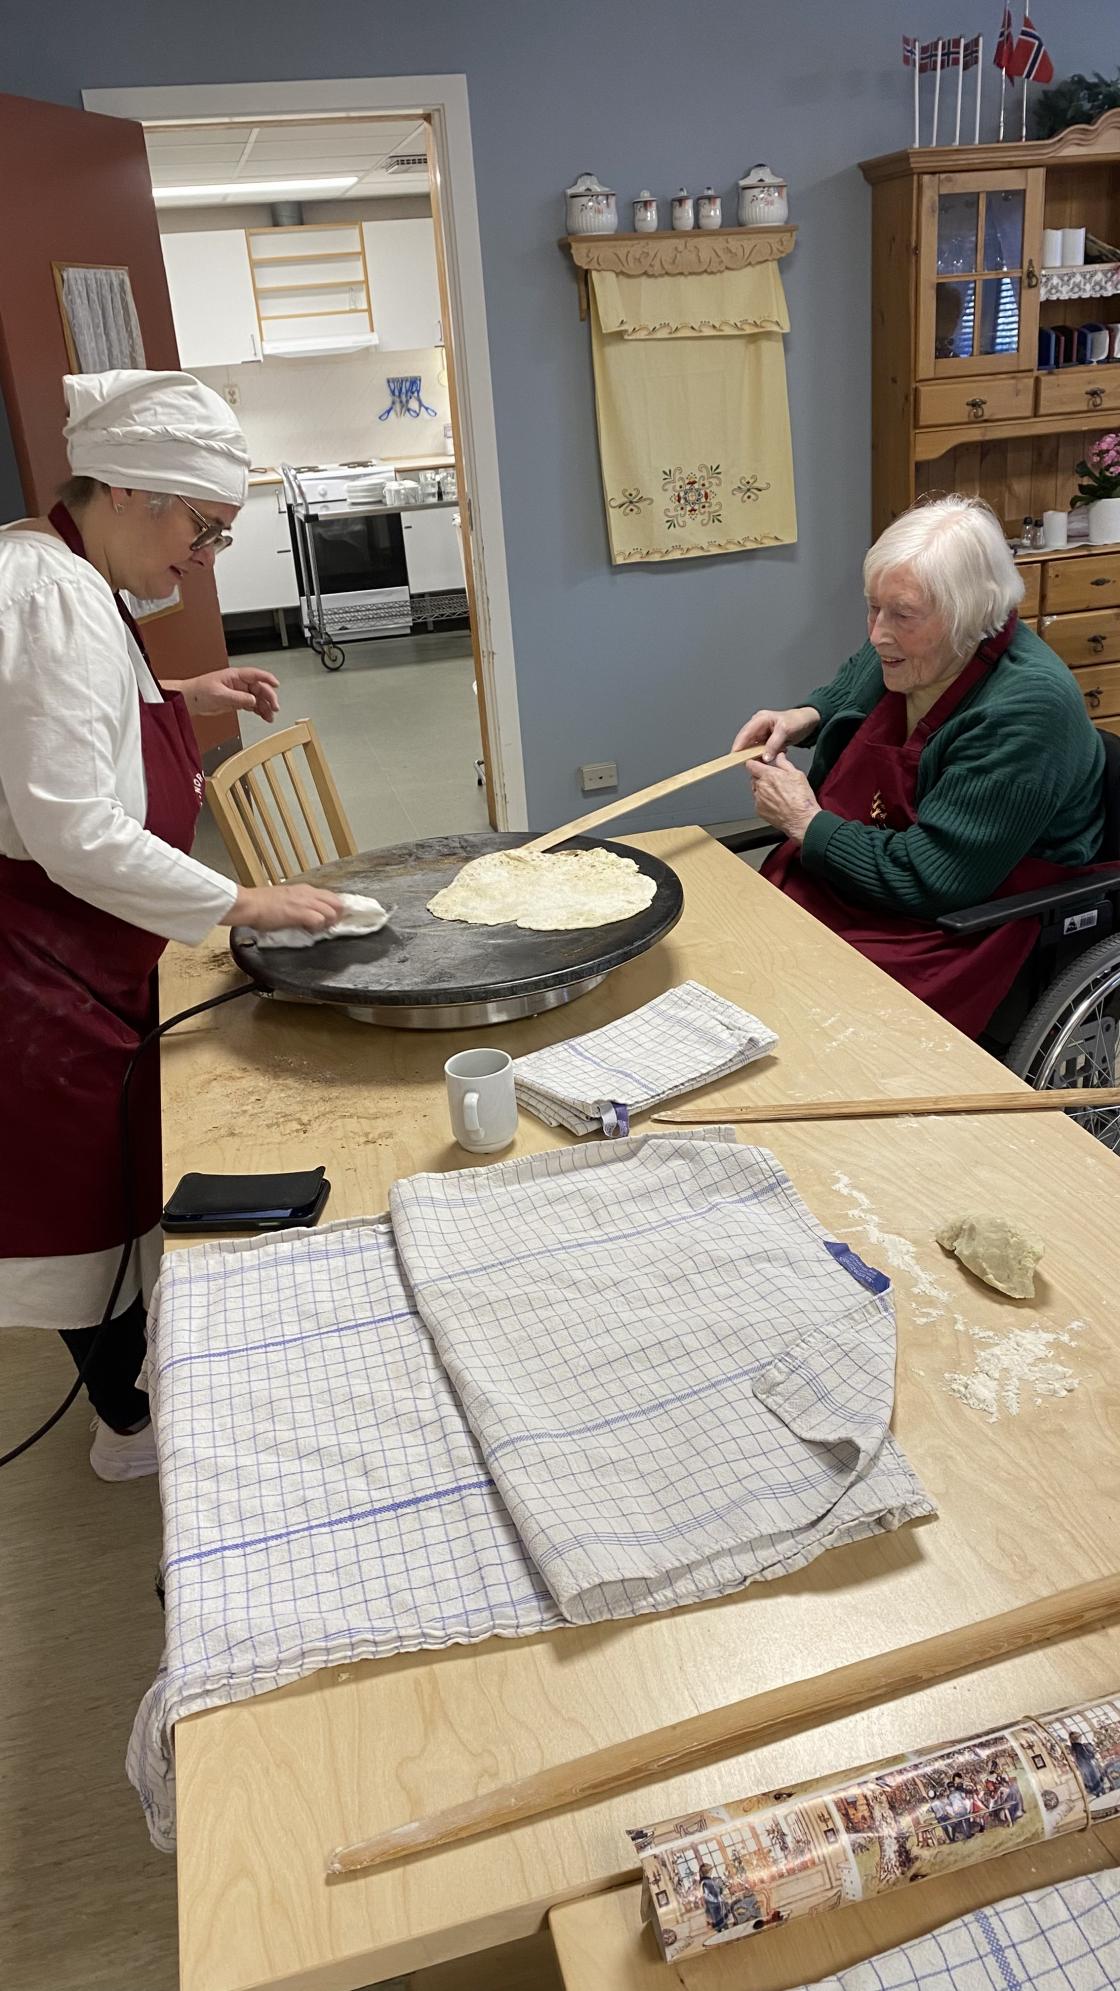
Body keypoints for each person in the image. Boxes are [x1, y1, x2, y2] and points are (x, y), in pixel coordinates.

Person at [0, 370, 343, 1481]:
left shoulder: (69, 573)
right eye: (203, 530)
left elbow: (70, 720)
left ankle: (144, 1388)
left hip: (87, 950)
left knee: (117, 1180)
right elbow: (70, 825)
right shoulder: (46, 593)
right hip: (43, 960)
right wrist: (241, 898)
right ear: (135, 491)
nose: (201, 558)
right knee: (81, 1204)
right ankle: (127, 1427)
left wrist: (181, 689)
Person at [731, 495, 1105, 1037]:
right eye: (872, 608)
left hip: (961, 916)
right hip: (877, 879)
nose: (878, 633)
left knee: (811, 1012)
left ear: (970, 616)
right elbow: (863, 672)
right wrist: (806, 714)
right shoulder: (918, 649)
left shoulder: (1027, 709)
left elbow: (935, 879)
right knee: (747, 945)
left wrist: (805, 823)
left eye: (902, 615)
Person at [697, 1862, 732, 1932]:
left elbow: (717, 1892)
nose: (711, 1872)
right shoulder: (705, 1882)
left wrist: (721, 1888)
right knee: (721, 1929)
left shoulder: (709, 1880)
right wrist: (718, 1900)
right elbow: (707, 1896)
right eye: (710, 1871)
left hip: (719, 1907)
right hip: (714, 1909)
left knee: (725, 1927)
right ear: (707, 1872)